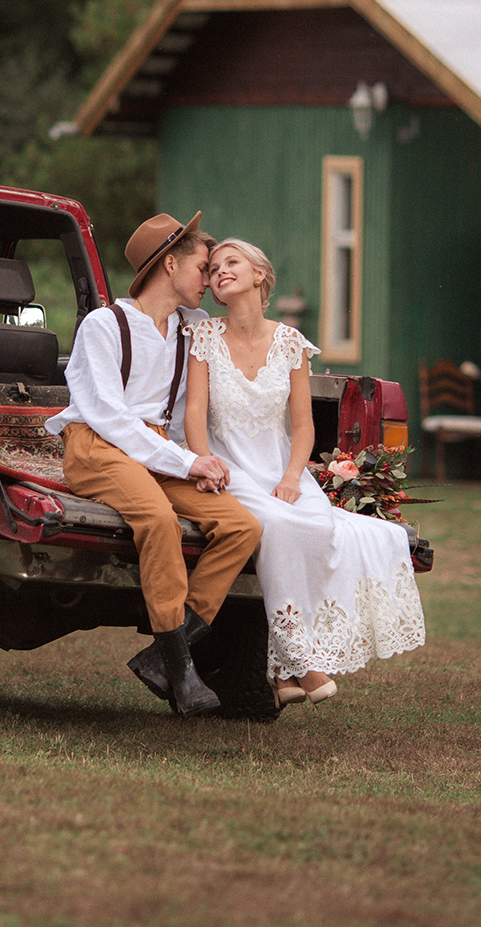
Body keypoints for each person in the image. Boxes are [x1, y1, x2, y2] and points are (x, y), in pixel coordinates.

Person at [182, 238, 425, 705]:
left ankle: (280, 672)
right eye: (213, 268)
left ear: (259, 275)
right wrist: (202, 462)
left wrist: (293, 478)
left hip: (281, 467)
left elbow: (302, 426)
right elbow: (195, 414)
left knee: (317, 526)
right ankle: (304, 663)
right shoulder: (205, 338)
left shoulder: (291, 343)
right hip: (229, 468)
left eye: (231, 262)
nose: (219, 272)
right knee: (273, 524)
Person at [44, 213, 264, 716]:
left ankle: (165, 655)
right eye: (203, 268)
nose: (210, 280)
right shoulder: (105, 325)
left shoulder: (193, 329)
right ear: (169, 264)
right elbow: (109, 417)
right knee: (159, 520)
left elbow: (194, 408)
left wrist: (202, 460)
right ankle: (184, 674)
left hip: (158, 450)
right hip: (98, 446)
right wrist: (186, 464)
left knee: (240, 526)